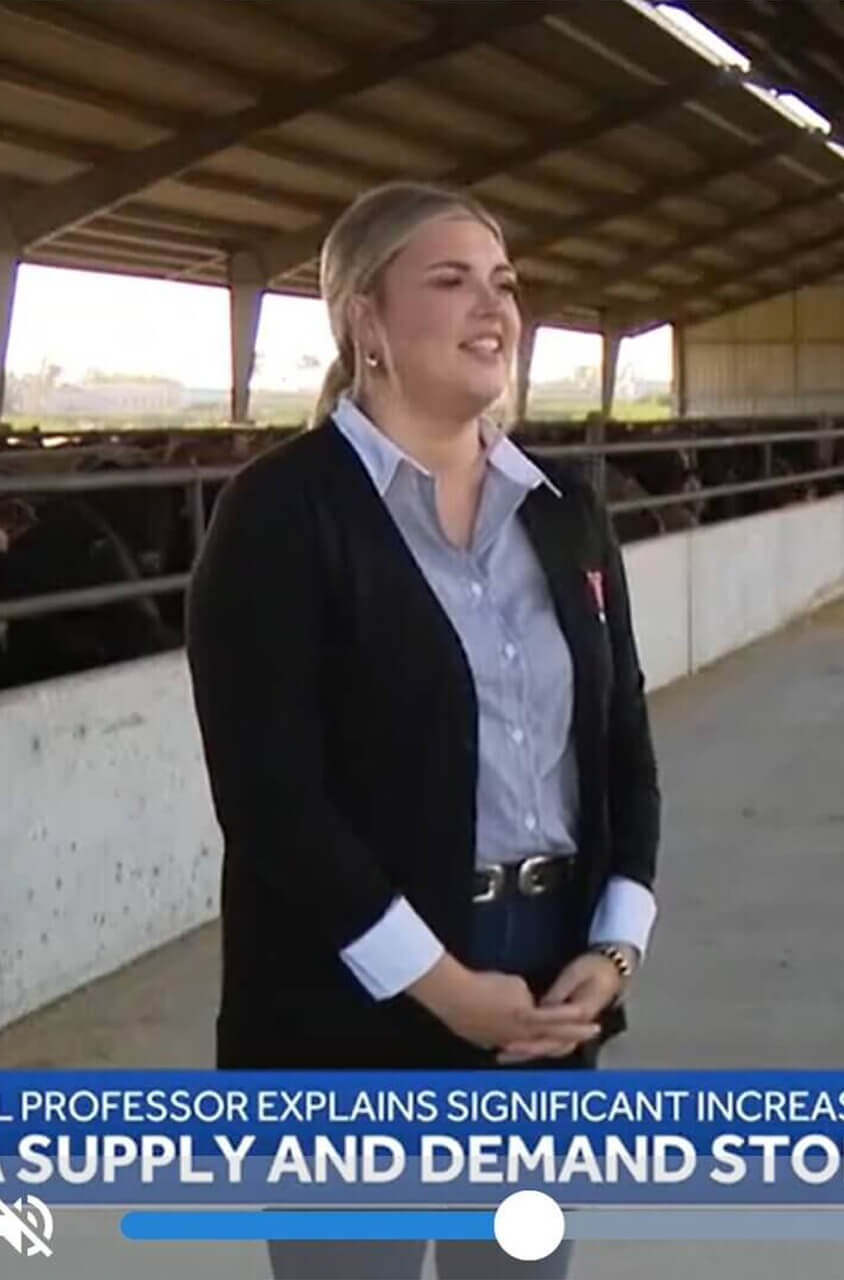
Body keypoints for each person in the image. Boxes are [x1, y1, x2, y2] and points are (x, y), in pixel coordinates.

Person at [184, 181, 662, 1279]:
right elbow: (270, 798)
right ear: (365, 320)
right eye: (450, 281)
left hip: (547, 992)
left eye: (503, 283)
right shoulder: (282, 512)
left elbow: (620, 741)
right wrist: (443, 986)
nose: (492, 306)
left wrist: (615, 937)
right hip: (347, 1007)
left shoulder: (564, 510)